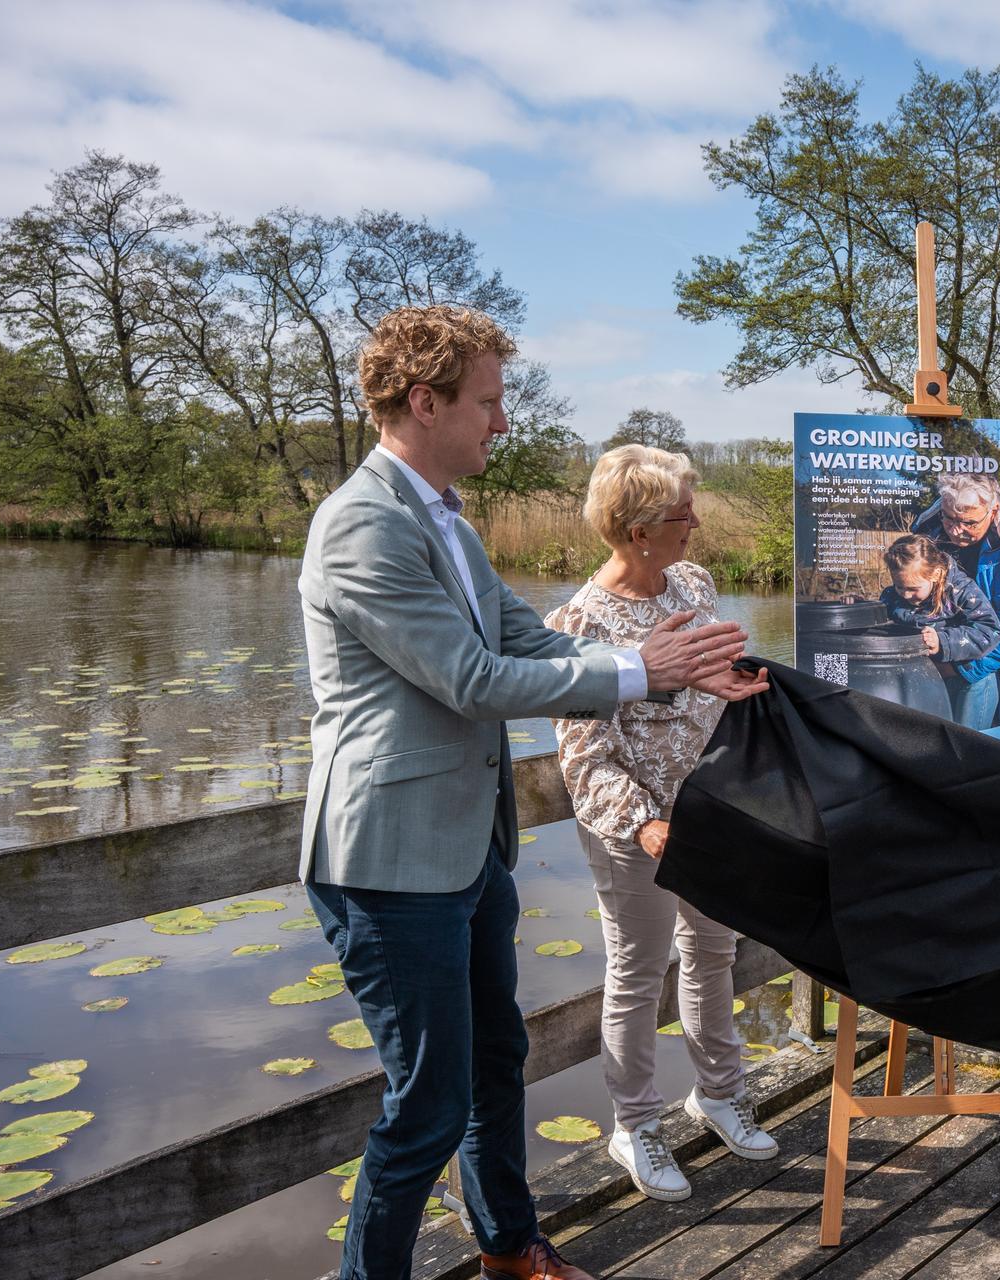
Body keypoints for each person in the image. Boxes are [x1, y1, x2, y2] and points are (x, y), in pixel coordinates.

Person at [298, 306, 759, 1280]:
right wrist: (641, 672)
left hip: (468, 849)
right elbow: (470, 677)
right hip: (389, 859)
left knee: (496, 1059)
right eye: (488, 401)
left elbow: (536, 643)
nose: (501, 423)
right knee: (423, 1104)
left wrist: (666, 665)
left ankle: (509, 1247)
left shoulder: (446, 523)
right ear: (425, 401)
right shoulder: (362, 526)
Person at [545, 445, 775, 1204]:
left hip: (709, 811)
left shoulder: (695, 583)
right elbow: (584, 756)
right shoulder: (580, 622)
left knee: (714, 951)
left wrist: (739, 688)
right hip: (634, 827)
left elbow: (699, 686)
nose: (696, 523)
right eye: (683, 514)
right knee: (637, 973)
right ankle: (635, 1123)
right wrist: (643, 822)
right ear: (638, 528)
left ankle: (718, 1092)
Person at [910, 473, 1000, 729]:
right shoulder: (928, 534)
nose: (956, 531)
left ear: (993, 510)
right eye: (949, 518)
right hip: (947, 652)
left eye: (969, 523)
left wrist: (961, 670)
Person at [879, 532, 1000, 726]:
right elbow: (878, 619)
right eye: (899, 586)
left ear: (935, 574)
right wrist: (858, 607)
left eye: (913, 588)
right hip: (928, 677)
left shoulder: (960, 591)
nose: (905, 595)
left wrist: (942, 641)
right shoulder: (893, 596)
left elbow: (990, 630)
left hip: (970, 679)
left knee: (967, 738)